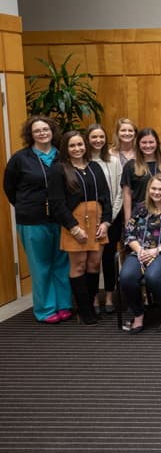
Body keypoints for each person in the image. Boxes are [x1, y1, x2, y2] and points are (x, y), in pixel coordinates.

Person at [3, 116, 72, 323]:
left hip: (60, 219)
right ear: (30, 135)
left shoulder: (62, 156)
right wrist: (27, 206)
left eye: (46, 129)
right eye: (37, 131)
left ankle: (64, 304)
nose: (42, 133)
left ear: (52, 131)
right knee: (40, 265)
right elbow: (10, 188)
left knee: (62, 263)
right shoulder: (20, 158)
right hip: (32, 220)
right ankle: (46, 309)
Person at [51, 131, 112, 325]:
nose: (77, 149)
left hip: (97, 221)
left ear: (85, 146)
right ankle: (84, 310)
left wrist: (106, 222)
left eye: (80, 145)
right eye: (72, 146)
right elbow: (56, 204)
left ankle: (91, 303)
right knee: (78, 265)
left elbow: (106, 196)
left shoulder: (94, 167)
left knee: (94, 264)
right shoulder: (59, 169)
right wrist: (74, 228)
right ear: (65, 149)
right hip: (74, 223)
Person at [119, 174, 161, 333]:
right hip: (140, 252)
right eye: (154, 188)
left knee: (153, 276)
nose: (157, 192)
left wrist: (157, 250)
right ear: (149, 189)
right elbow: (129, 233)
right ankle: (138, 314)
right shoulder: (140, 208)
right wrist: (140, 250)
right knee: (126, 277)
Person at [86, 123, 124, 314]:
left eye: (101, 137)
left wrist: (109, 218)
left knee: (108, 258)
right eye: (94, 137)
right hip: (88, 218)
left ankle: (109, 295)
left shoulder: (114, 160)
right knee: (90, 260)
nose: (98, 140)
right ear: (88, 139)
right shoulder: (82, 161)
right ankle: (93, 297)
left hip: (112, 218)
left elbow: (119, 192)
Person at [121, 128, 161, 223]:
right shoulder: (130, 166)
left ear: (156, 143)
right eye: (144, 142)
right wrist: (128, 219)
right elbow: (127, 194)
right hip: (139, 216)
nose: (148, 145)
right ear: (138, 144)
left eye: (151, 142)